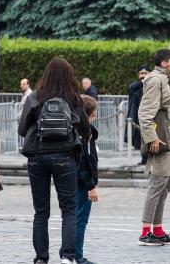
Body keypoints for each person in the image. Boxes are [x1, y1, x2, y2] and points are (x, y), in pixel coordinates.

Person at [18, 57, 90, 264]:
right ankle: (68, 256)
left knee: (41, 212)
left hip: (37, 157)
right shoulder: (74, 99)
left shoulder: (35, 97)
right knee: (68, 209)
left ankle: (41, 258)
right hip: (65, 156)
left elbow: (22, 129)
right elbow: (85, 129)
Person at [137, 10, 170, 246]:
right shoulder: (155, 80)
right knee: (157, 186)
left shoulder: (166, 74)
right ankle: (146, 232)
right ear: (164, 63)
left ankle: (157, 230)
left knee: (165, 187)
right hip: (162, 142)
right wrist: (152, 138)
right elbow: (144, 113)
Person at [75, 95, 99, 264]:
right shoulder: (85, 135)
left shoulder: (79, 132)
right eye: (93, 114)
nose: (95, 116)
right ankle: (77, 256)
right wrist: (91, 186)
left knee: (74, 218)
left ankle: (70, 254)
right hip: (83, 183)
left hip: (74, 181)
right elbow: (84, 162)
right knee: (80, 220)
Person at [125, 66, 150, 165]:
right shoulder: (136, 86)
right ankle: (144, 158)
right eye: (141, 74)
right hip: (137, 117)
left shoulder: (152, 85)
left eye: (145, 74)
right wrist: (141, 83)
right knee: (140, 141)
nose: (143, 76)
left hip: (149, 116)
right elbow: (131, 89)